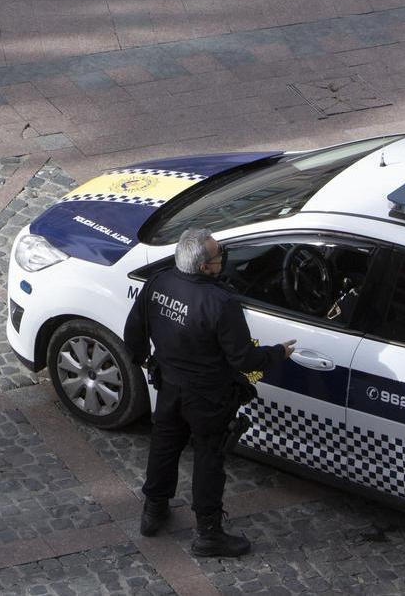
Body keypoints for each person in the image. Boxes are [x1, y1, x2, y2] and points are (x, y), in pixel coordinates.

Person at [124, 227, 295, 557]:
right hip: (209, 397)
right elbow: (243, 358)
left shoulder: (158, 282)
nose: (222, 261)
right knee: (208, 459)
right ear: (205, 267)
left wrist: (149, 363)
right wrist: (277, 354)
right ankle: (209, 533)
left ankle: (153, 511)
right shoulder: (221, 302)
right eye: (219, 256)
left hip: (170, 386)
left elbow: (135, 332)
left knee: (164, 446)